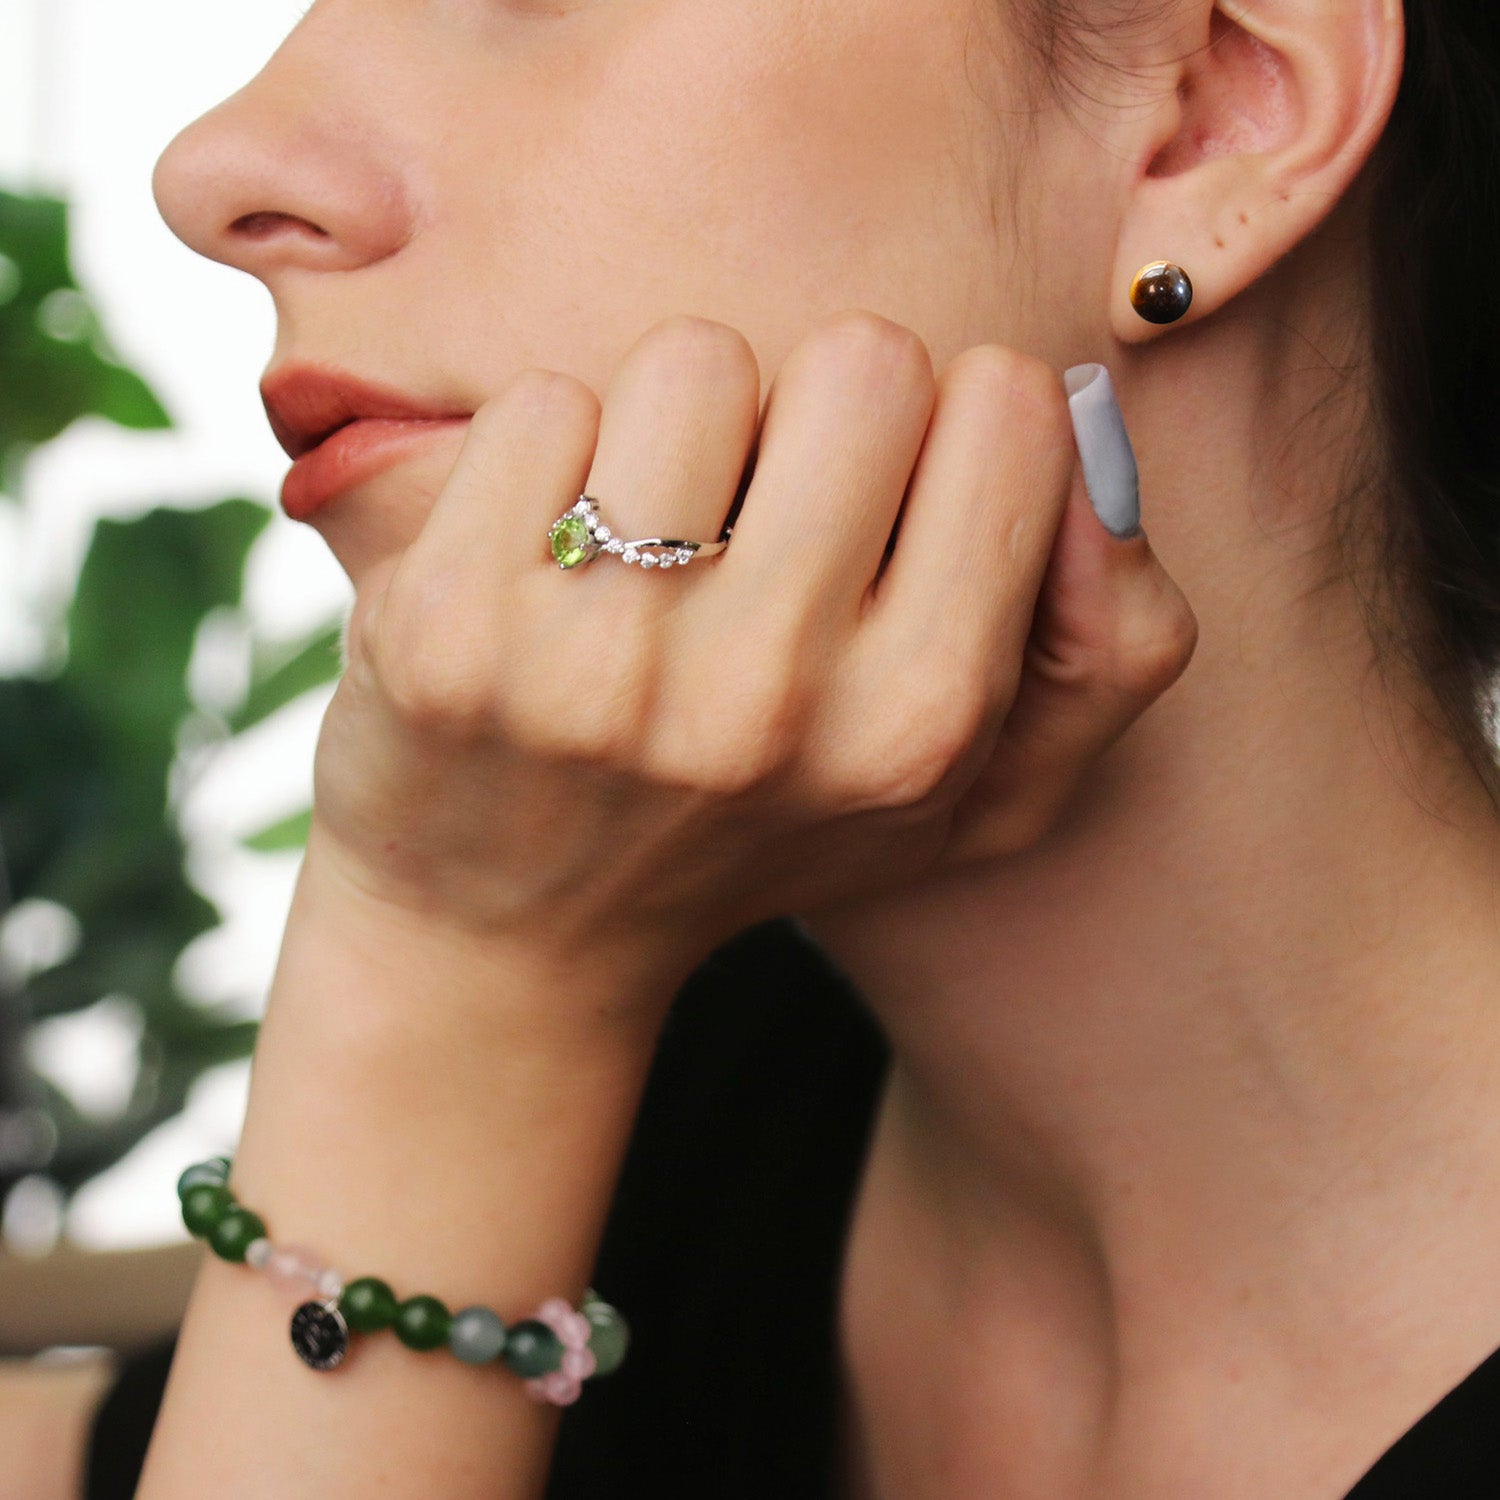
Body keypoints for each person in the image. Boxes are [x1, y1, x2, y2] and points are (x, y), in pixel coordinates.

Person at [55, 0, 1500, 1494]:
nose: (209, 169)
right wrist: (483, 986)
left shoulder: (546, 1025)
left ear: (1215, 112)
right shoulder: (640, 1100)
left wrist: (466, 957)